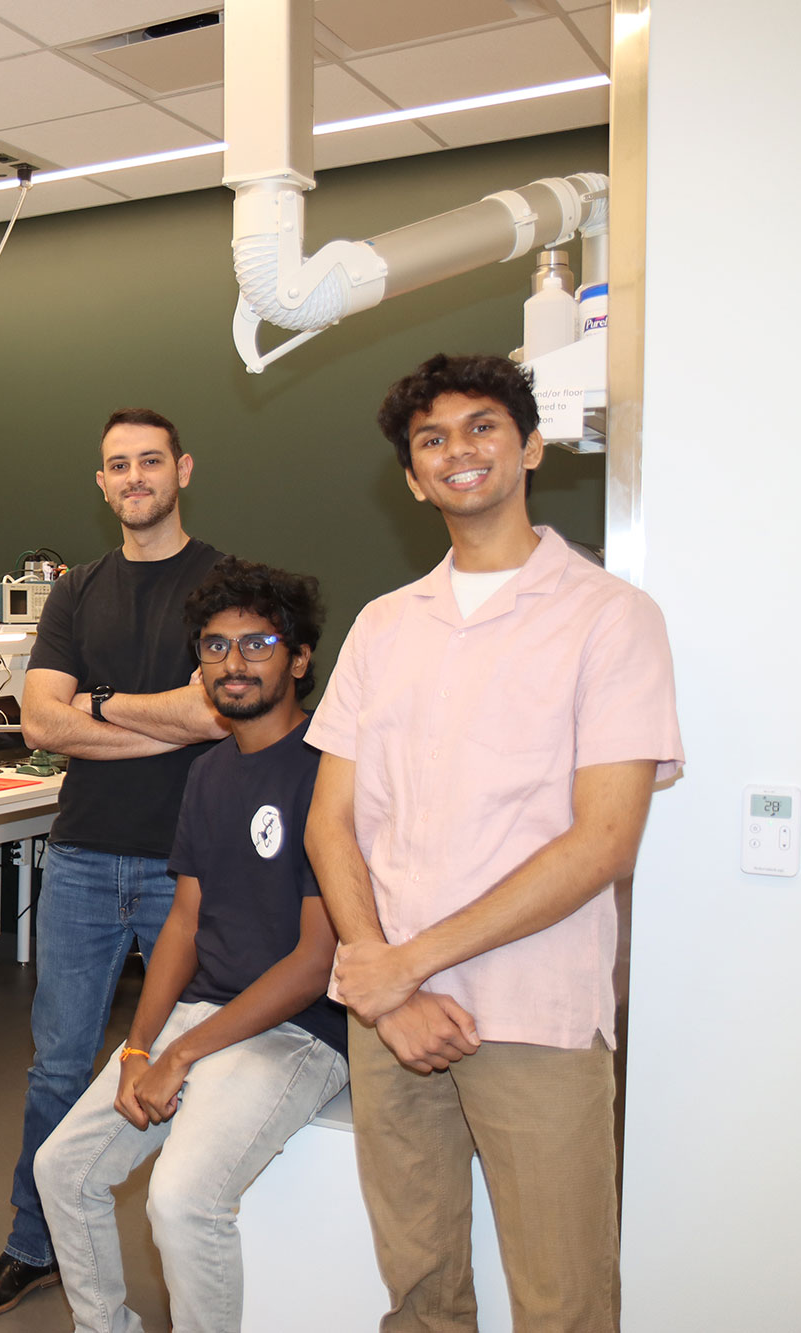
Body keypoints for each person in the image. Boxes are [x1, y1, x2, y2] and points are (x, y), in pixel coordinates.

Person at [304, 353, 682, 1332]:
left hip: (533, 1014)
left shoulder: (611, 619)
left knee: (563, 1300)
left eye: (482, 426)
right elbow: (329, 821)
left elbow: (604, 842)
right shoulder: (383, 627)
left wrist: (404, 966)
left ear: (530, 447)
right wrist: (387, 983)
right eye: (430, 439)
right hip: (391, 1022)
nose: (457, 451)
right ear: (411, 477)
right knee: (419, 1291)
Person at [0, 407, 230, 1318]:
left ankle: (199, 1235)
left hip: (189, 865)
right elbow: (41, 722)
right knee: (59, 1065)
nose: (134, 476)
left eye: (151, 460)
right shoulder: (76, 592)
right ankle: (33, 1244)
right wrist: (166, 719)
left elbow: (218, 710)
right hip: (80, 858)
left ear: (182, 470)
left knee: (198, 1058)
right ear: (101, 482)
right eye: (118, 464)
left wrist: (102, 706)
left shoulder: (223, 583)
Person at [35, 556, 348, 1333]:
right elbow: (184, 920)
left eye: (257, 643)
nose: (232, 662)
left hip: (299, 1030)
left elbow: (316, 962)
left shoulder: (328, 770)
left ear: (300, 658)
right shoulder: (209, 772)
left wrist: (180, 1054)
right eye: (214, 646)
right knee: (62, 1168)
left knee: (180, 1202)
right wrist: (141, 1047)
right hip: (208, 1012)